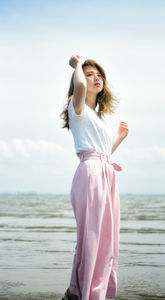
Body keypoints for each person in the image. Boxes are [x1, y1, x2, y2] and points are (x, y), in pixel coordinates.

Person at [60, 54, 128, 300]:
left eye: (99, 75)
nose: (95, 78)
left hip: (106, 174)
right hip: (90, 173)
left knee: (105, 239)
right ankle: (80, 292)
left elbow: (103, 152)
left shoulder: (99, 117)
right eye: (90, 74)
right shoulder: (76, 106)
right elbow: (78, 86)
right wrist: (77, 65)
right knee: (90, 239)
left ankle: (77, 292)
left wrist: (118, 138)